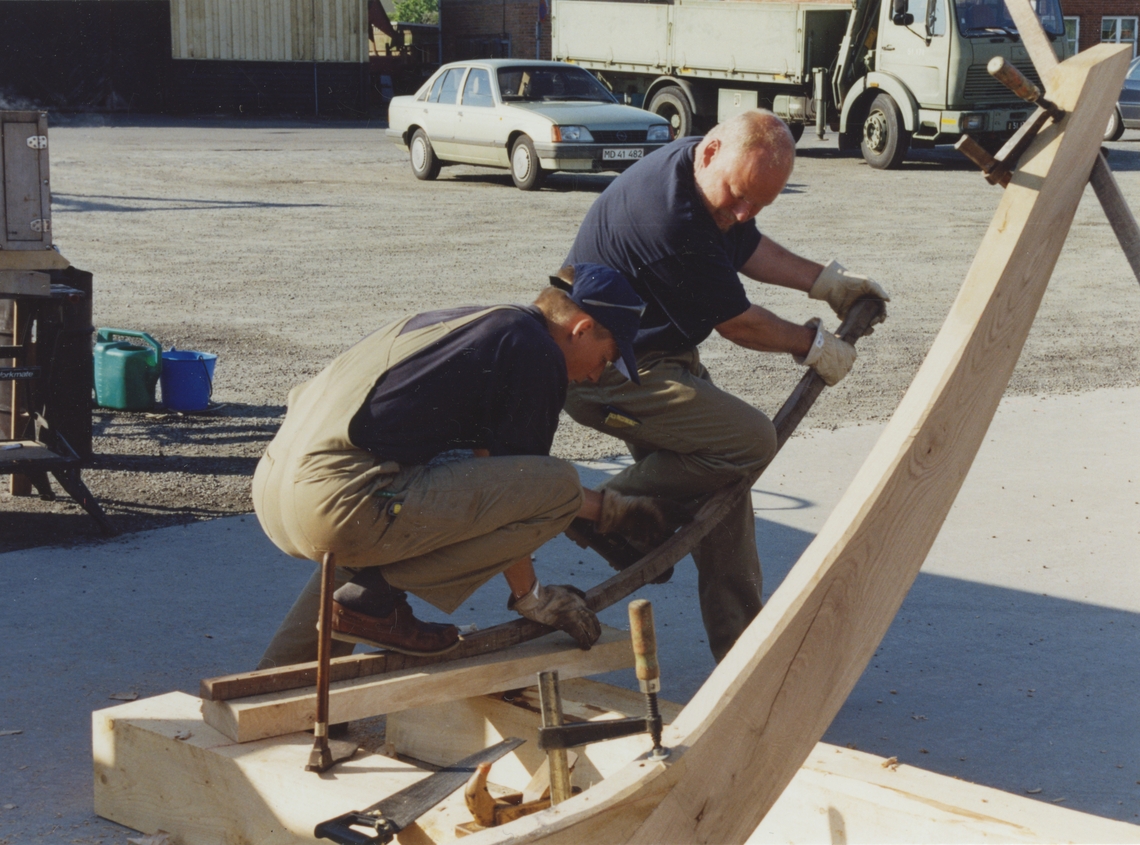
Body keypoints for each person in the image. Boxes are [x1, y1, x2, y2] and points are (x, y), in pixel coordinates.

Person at [563, 109, 890, 663]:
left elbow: (746, 244)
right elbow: (737, 322)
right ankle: (598, 510)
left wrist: (826, 283)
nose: (743, 213)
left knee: (725, 493)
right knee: (749, 441)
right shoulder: (669, 219)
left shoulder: (707, 173)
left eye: (759, 205)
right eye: (739, 198)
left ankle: (742, 658)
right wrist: (811, 346)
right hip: (604, 370)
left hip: (659, 355)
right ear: (712, 152)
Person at [252, 264, 684, 666]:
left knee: (377, 537)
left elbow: (484, 471)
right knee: (560, 484)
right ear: (582, 328)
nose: (595, 376)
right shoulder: (534, 351)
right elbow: (526, 487)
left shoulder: (471, 325)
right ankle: (376, 599)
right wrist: (533, 597)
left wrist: (603, 512)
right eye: (605, 359)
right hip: (339, 502)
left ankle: (275, 686)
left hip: (281, 491)